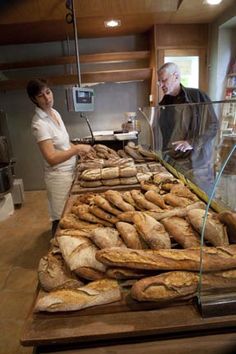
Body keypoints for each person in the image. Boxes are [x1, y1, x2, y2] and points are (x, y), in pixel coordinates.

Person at [26, 78, 94, 235]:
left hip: (71, 170)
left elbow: (65, 142)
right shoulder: (39, 123)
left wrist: (80, 152)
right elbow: (51, 157)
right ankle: (55, 251)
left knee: (72, 216)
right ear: (34, 99)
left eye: (48, 92)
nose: (47, 98)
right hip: (58, 178)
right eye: (41, 96)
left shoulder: (55, 113)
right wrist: (76, 149)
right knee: (61, 219)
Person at [156, 62, 219, 194]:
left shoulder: (197, 96)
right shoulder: (164, 104)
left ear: (176, 76)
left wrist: (192, 142)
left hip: (197, 165)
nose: (161, 85)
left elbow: (213, 126)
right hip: (174, 163)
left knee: (203, 203)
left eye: (164, 80)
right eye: (159, 82)